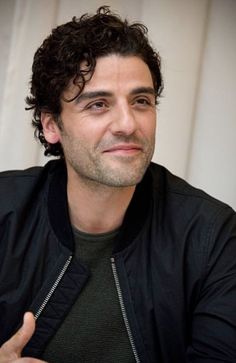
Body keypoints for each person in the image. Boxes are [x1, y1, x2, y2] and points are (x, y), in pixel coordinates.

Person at [0, 6, 236, 363]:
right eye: (98, 104)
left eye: (141, 101)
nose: (127, 124)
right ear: (51, 125)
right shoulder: (4, 210)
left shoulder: (211, 236)